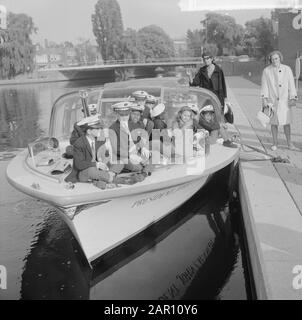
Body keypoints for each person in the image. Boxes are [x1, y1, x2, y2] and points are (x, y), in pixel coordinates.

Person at [65, 115, 124, 189]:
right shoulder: (79, 143)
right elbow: (79, 164)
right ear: (89, 131)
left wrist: (105, 161)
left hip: (98, 170)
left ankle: (107, 176)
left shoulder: (100, 140)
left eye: (100, 128)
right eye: (97, 129)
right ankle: (109, 179)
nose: (100, 130)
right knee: (92, 170)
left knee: (120, 162)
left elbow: (104, 155)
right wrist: (97, 164)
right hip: (84, 172)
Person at [261, 50, 298, 151]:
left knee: (286, 122)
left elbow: (291, 85)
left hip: (285, 101)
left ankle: (289, 143)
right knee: (274, 123)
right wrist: (264, 99)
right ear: (270, 60)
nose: (274, 61)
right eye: (272, 59)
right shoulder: (266, 71)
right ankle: (275, 143)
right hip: (272, 101)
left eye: (276, 58)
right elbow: (264, 86)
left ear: (280, 58)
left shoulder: (287, 69)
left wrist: (293, 97)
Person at [109, 101, 151, 173]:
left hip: (136, 153)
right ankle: (144, 170)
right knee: (137, 166)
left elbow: (138, 139)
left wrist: (143, 147)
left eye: (127, 115)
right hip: (124, 157)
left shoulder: (132, 124)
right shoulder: (113, 128)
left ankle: (144, 169)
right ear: (117, 115)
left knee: (153, 155)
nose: (125, 117)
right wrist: (131, 156)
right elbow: (117, 149)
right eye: (122, 115)